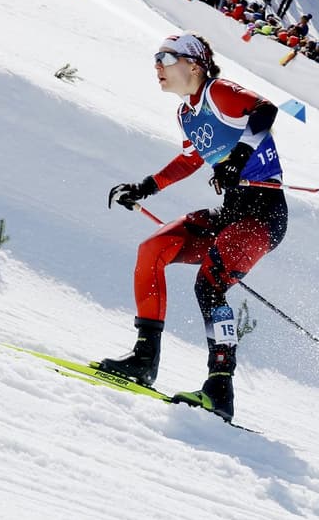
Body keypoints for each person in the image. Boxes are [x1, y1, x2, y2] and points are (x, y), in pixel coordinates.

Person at [103, 33, 288, 423]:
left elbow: (265, 110)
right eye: (155, 58)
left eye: (166, 58)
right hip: (232, 210)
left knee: (209, 284)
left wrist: (238, 158)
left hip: (262, 212)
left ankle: (220, 390)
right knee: (153, 249)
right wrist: (144, 187)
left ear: (194, 65)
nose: (157, 65)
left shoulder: (217, 92)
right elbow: (190, 160)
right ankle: (143, 359)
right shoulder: (187, 114)